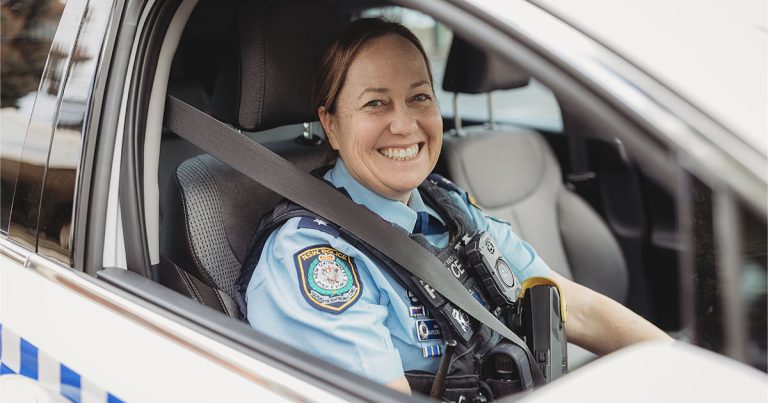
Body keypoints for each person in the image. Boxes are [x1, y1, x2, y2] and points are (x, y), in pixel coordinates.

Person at [240, 18, 671, 397]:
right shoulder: (310, 258)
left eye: (419, 97)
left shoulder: (450, 206)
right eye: (375, 103)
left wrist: (683, 367)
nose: (404, 124)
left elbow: (570, 306)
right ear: (331, 124)